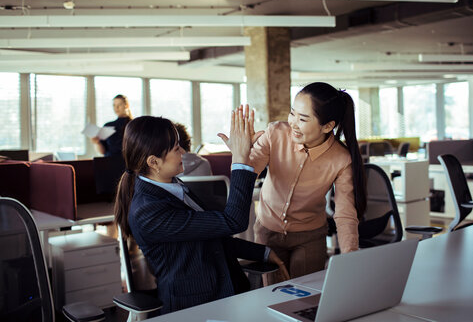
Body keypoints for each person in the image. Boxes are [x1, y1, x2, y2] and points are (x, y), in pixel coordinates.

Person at [114, 108, 288, 314]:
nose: (183, 153)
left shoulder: (174, 187)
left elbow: (212, 237)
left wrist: (264, 252)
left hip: (224, 292)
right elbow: (233, 221)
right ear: (153, 162)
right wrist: (240, 161)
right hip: (196, 306)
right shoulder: (148, 210)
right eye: (176, 149)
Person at [249, 82, 366, 283]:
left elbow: (345, 213)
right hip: (268, 232)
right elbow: (248, 173)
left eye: (303, 119)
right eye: (292, 113)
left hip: (309, 237)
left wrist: (350, 257)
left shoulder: (341, 158)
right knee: (272, 298)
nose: (293, 123)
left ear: (328, 126)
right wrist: (241, 152)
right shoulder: (275, 133)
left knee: (304, 297)